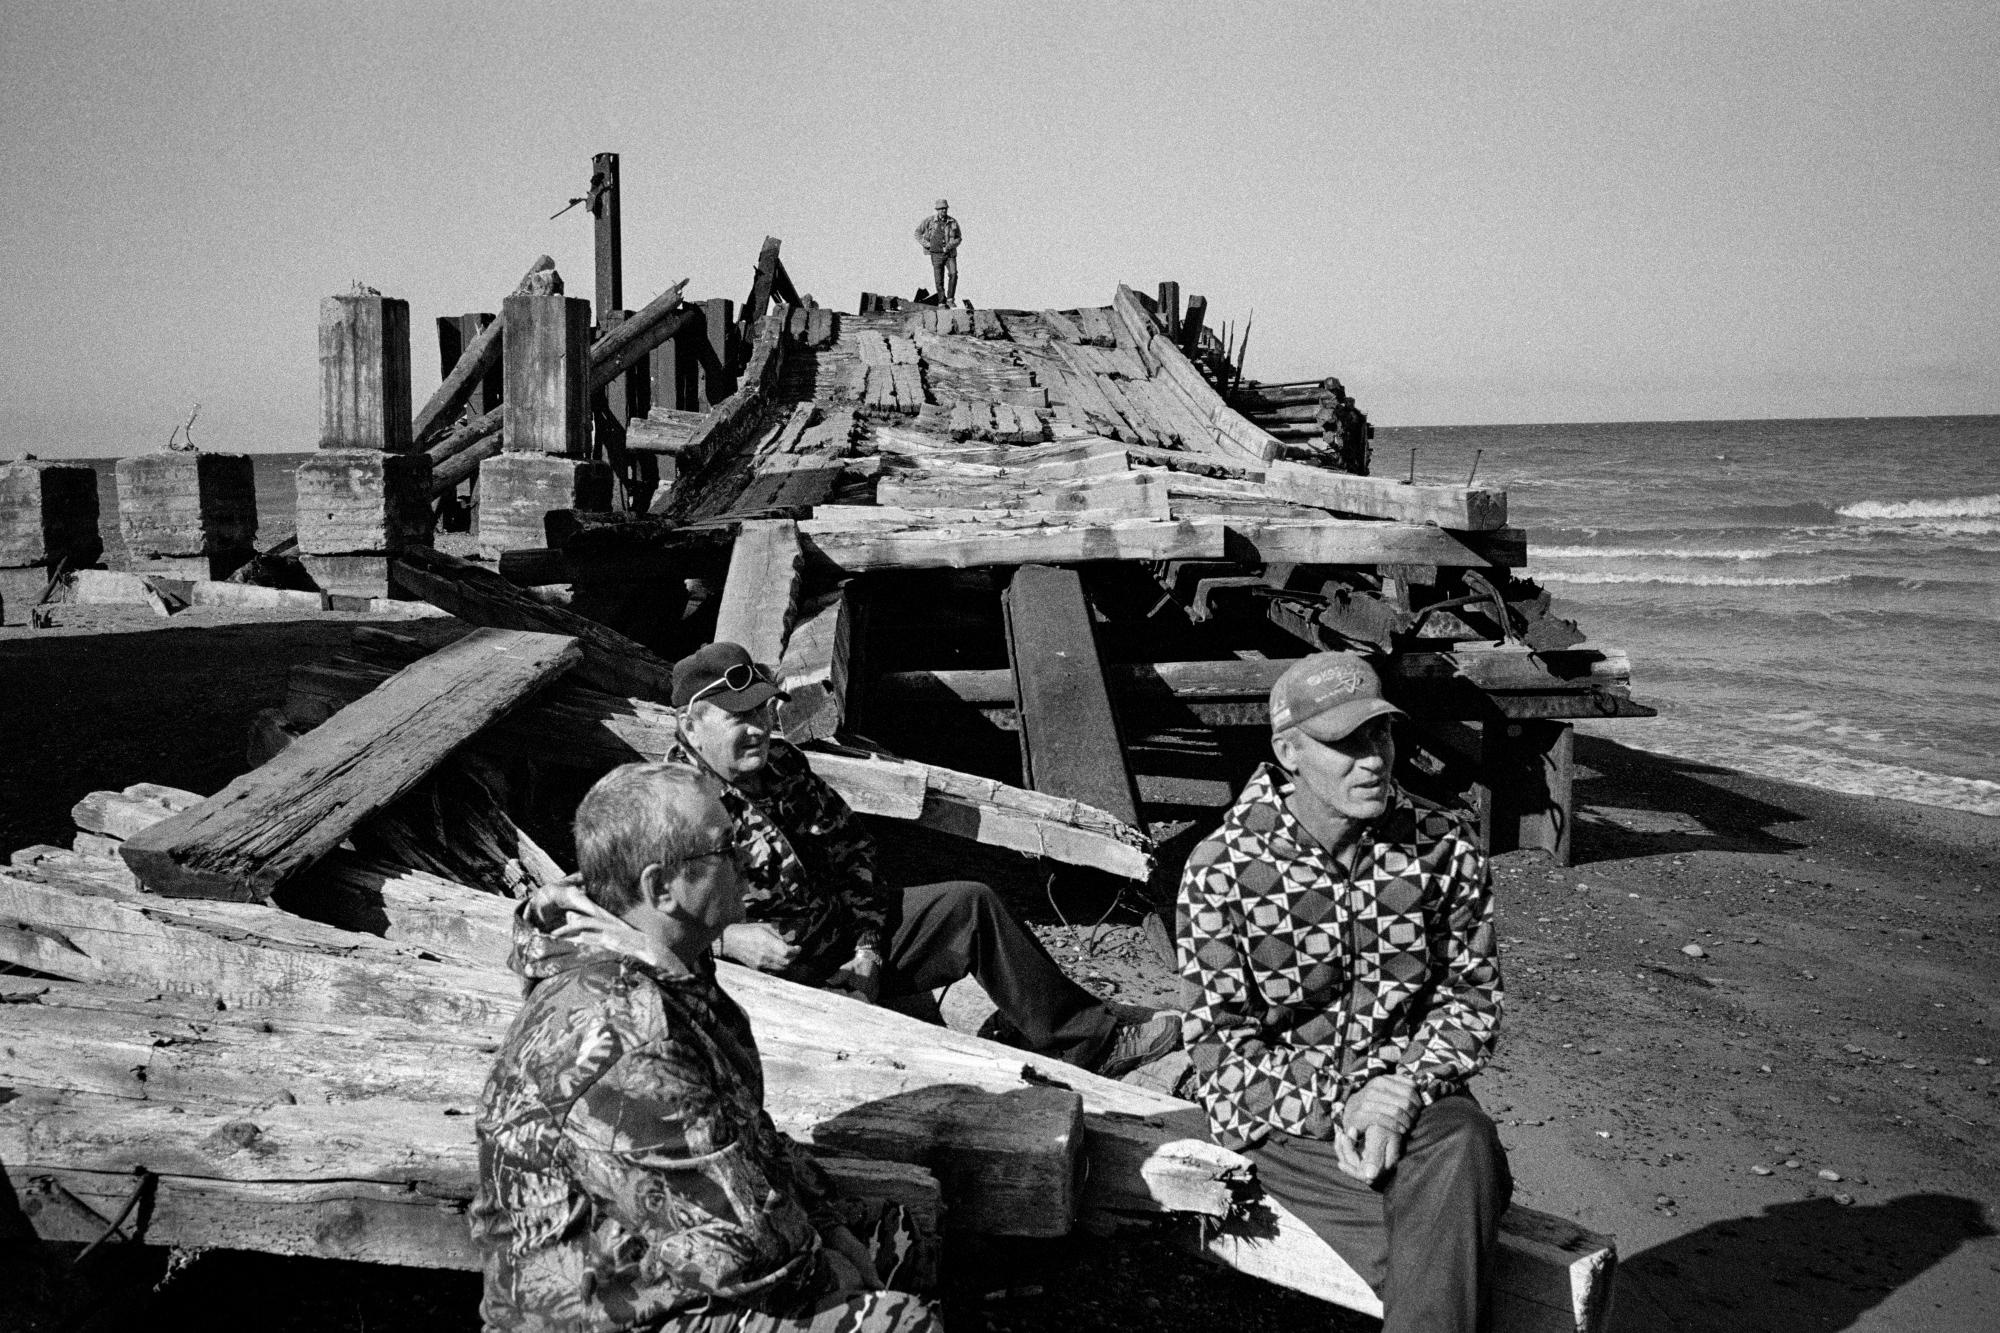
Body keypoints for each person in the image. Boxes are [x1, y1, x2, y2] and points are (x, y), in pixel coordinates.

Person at [471, 761, 939, 1333]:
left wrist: (832, 1225)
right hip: (605, 1310)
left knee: (895, 1236)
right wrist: (837, 1273)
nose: (750, 858)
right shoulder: (626, 1033)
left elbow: (738, 1122)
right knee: (901, 1323)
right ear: (660, 888)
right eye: (727, 847)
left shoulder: (671, 960)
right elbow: (736, 1243)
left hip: (656, 1258)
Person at [1176, 652, 1510, 1333]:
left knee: (1464, 1141)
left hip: (1413, 1109)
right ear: (1288, 751)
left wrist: (1398, 1094)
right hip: (1282, 1121)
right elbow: (1219, 1051)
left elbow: (1469, 1001)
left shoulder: (1444, 847)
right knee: (1446, 1243)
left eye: (1381, 735)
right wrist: (1343, 1100)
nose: (1374, 760)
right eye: (1345, 743)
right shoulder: (1223, 870)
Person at [661, 639, 1178, 1078]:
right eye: (737, 718)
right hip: (772, 986)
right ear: (691, 722)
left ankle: (1087, 1040)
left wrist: (867, 954)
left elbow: (853, 855)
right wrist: (729, 940)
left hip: (843, 941)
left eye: (760, 711)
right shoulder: (666, 803)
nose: (757, 728)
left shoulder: (782, 764)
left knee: (969, 906)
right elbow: (636, 921)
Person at [912, 200, 960, 305]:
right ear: (937, 210)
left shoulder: (952, 222)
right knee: (939, 279)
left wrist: (949, 246)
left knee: (953, 274)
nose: (943, 210)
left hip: (949, 254)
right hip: (936, 254)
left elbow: (958, 238)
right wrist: (927, 244)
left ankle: (950, 299)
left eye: (945, 208)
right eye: (941, 209)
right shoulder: (929, 221)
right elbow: (917, 233)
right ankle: (942, 302)